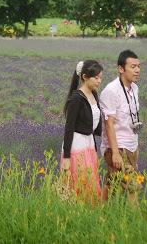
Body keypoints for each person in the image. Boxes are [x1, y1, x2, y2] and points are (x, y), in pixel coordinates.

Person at [100, 50, 142, 201]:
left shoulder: (135, 88)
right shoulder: (111, 91)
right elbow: (109, 124)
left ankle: (99, 211)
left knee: (112, 182)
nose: (137, 70)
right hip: (117, 147)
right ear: (121, 69)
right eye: (133, 66)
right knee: (132, 186)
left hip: (132, 145)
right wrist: (115, 153)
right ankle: (135, 221)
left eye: (138, 66)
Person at [61, 60, 103, 203]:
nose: (99, 81)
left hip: (89, 143)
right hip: (77, 145)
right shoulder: (76, 98)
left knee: (91, 184)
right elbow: (69, 128)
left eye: (100, 77)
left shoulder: (94, 95)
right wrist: (66, 157)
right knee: (79, 185)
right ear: (85, 77)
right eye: (96, 77)